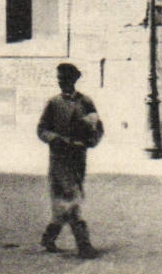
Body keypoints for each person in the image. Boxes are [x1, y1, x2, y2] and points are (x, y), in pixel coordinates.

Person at [37, 62, 104, 257]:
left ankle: (49, 237)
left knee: (64, 201)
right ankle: (84, 245)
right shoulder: (53, 103)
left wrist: (89, 142)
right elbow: (41, 129)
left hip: (78, 158)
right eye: (59, 79)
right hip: (59, 158)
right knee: (71, 199)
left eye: (65, 79)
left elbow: (98, 128)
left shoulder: (86, 102)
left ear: (74, 79)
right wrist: (54, 138)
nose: (61, 83)